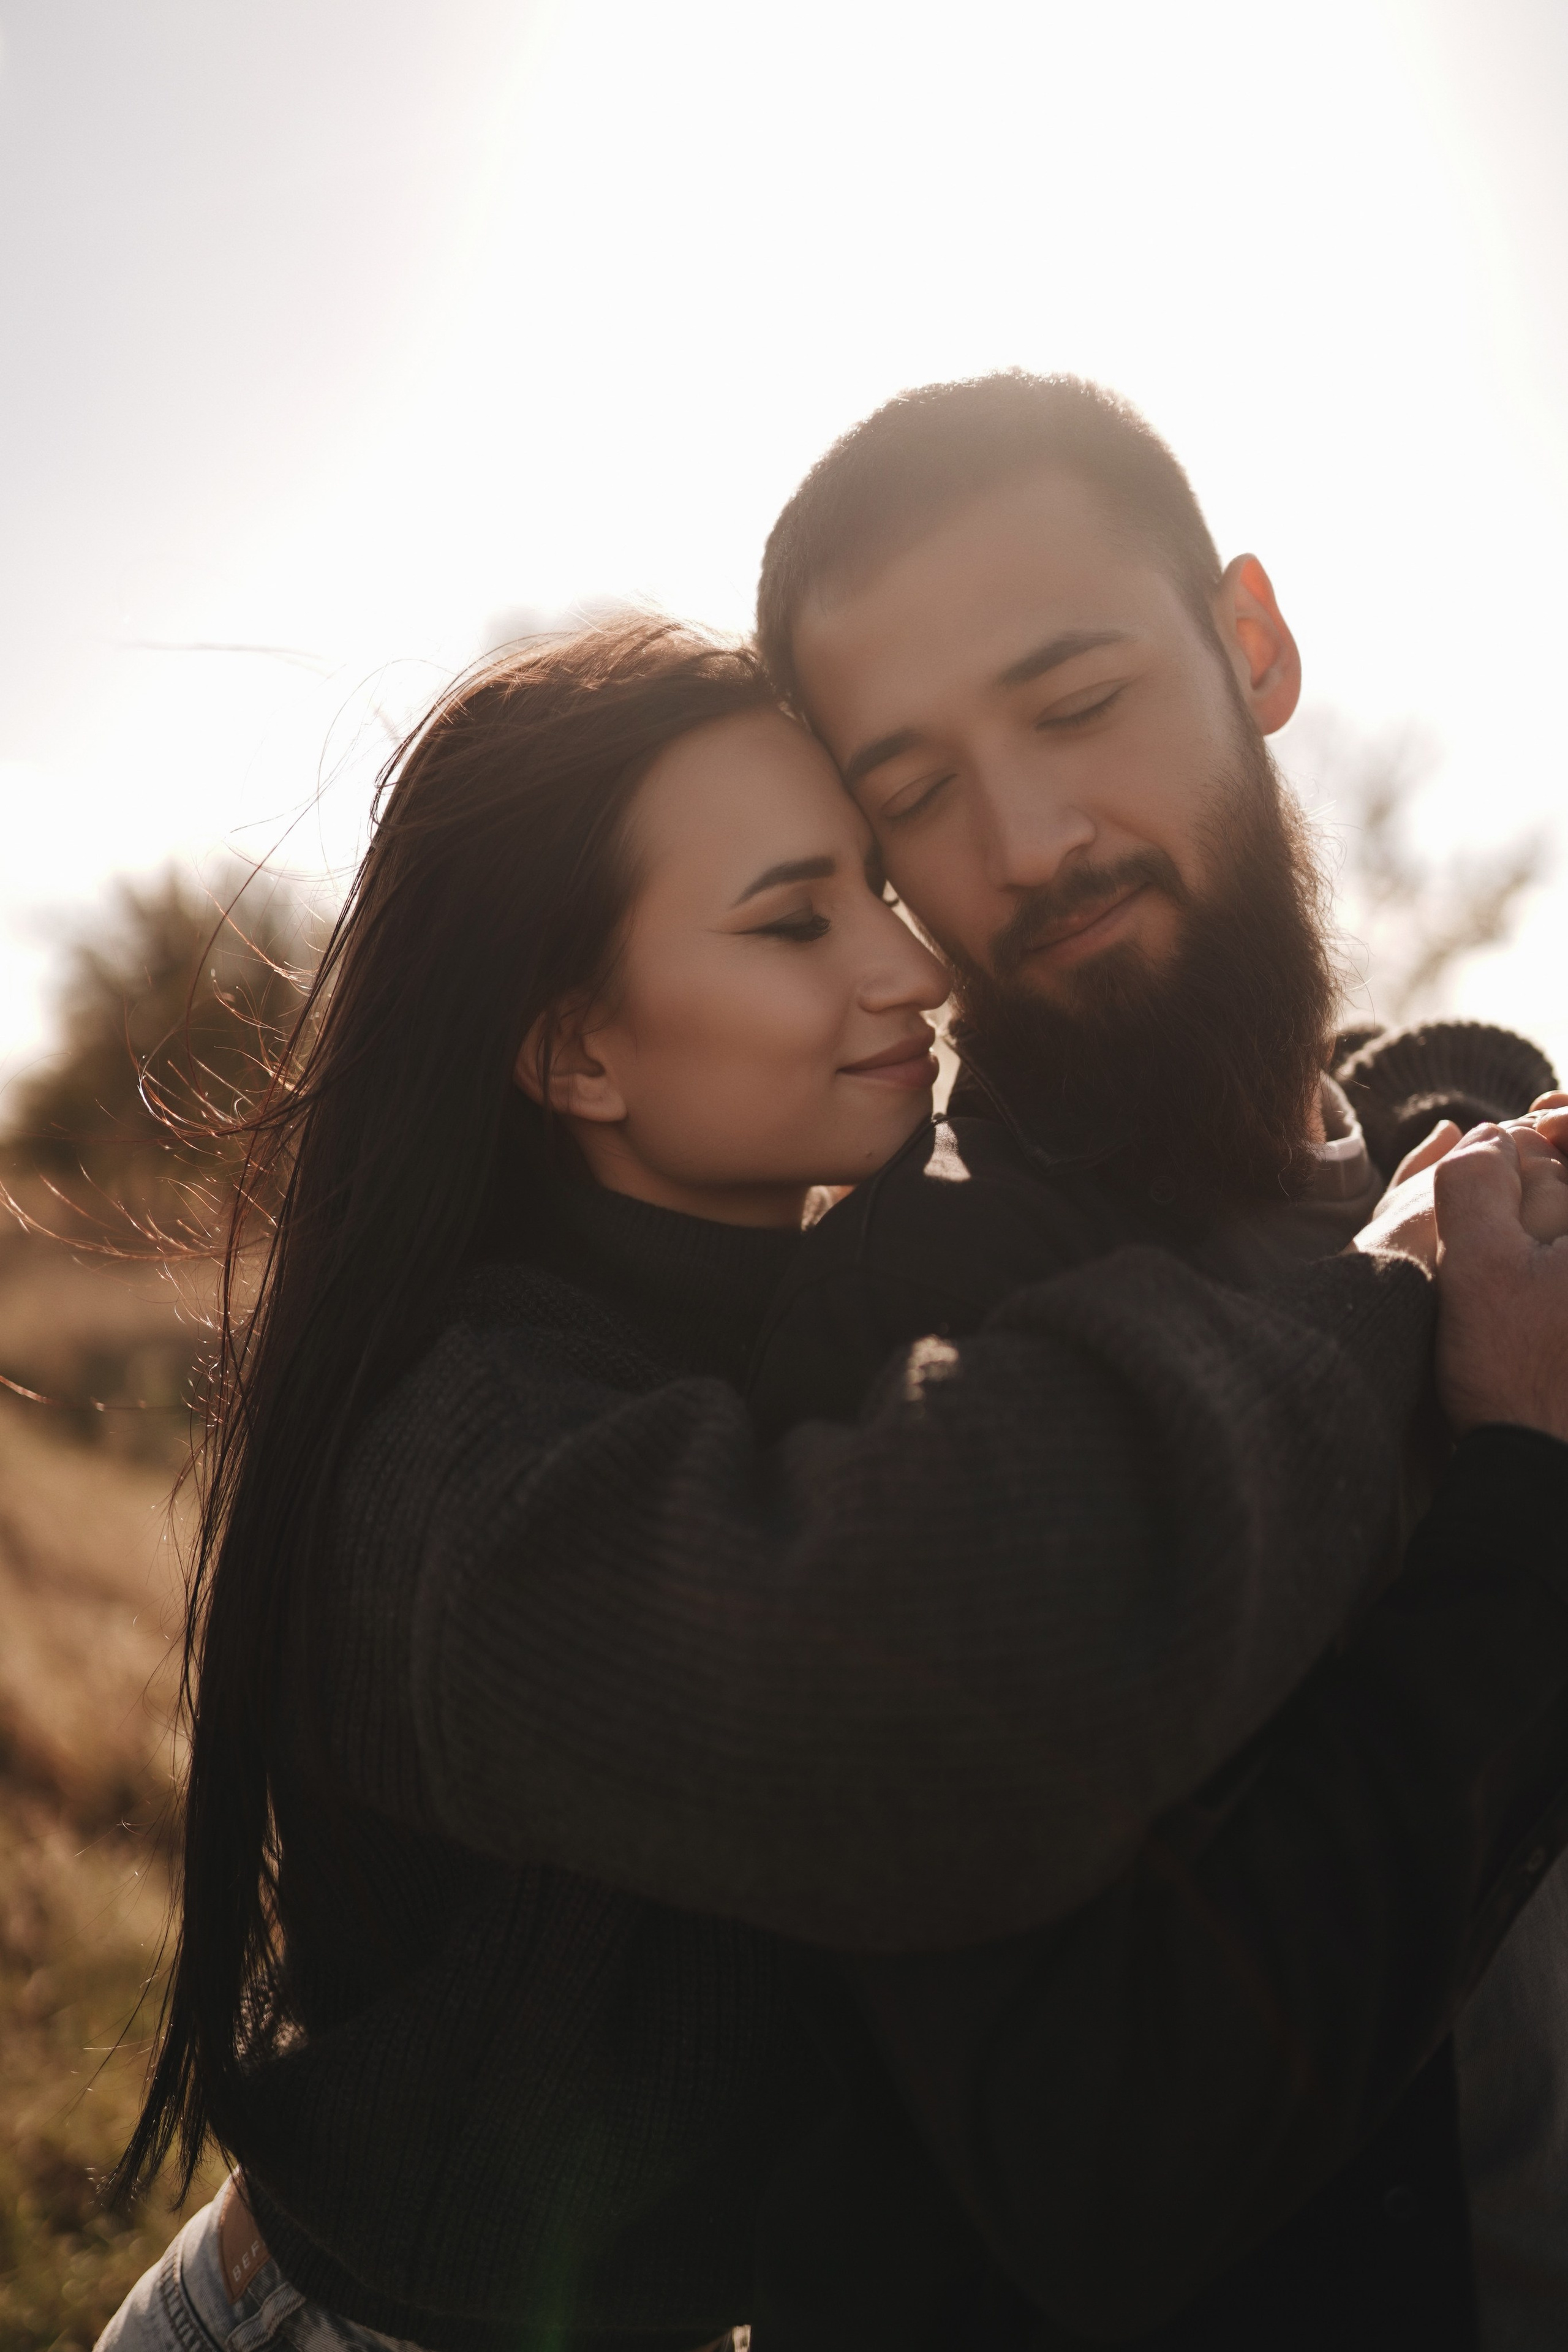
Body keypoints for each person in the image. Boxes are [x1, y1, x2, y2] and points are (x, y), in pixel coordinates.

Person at [97, 618, 1568, 2352]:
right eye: (795, 922)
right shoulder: (469, 1473)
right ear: (575, 1052)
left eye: (880, 886)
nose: (914, 967)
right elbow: (941, 1618)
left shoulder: (776, 1318)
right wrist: (1391, 1282)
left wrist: (1423, 1115)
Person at [748, 367, 1568, 2340]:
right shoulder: (908, 1338)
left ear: (1254, 645)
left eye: (1078, 701)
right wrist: (1524, 1488)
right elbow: (1098, 2154)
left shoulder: (1488, 1158)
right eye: (915, 788)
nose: (1027, 840)